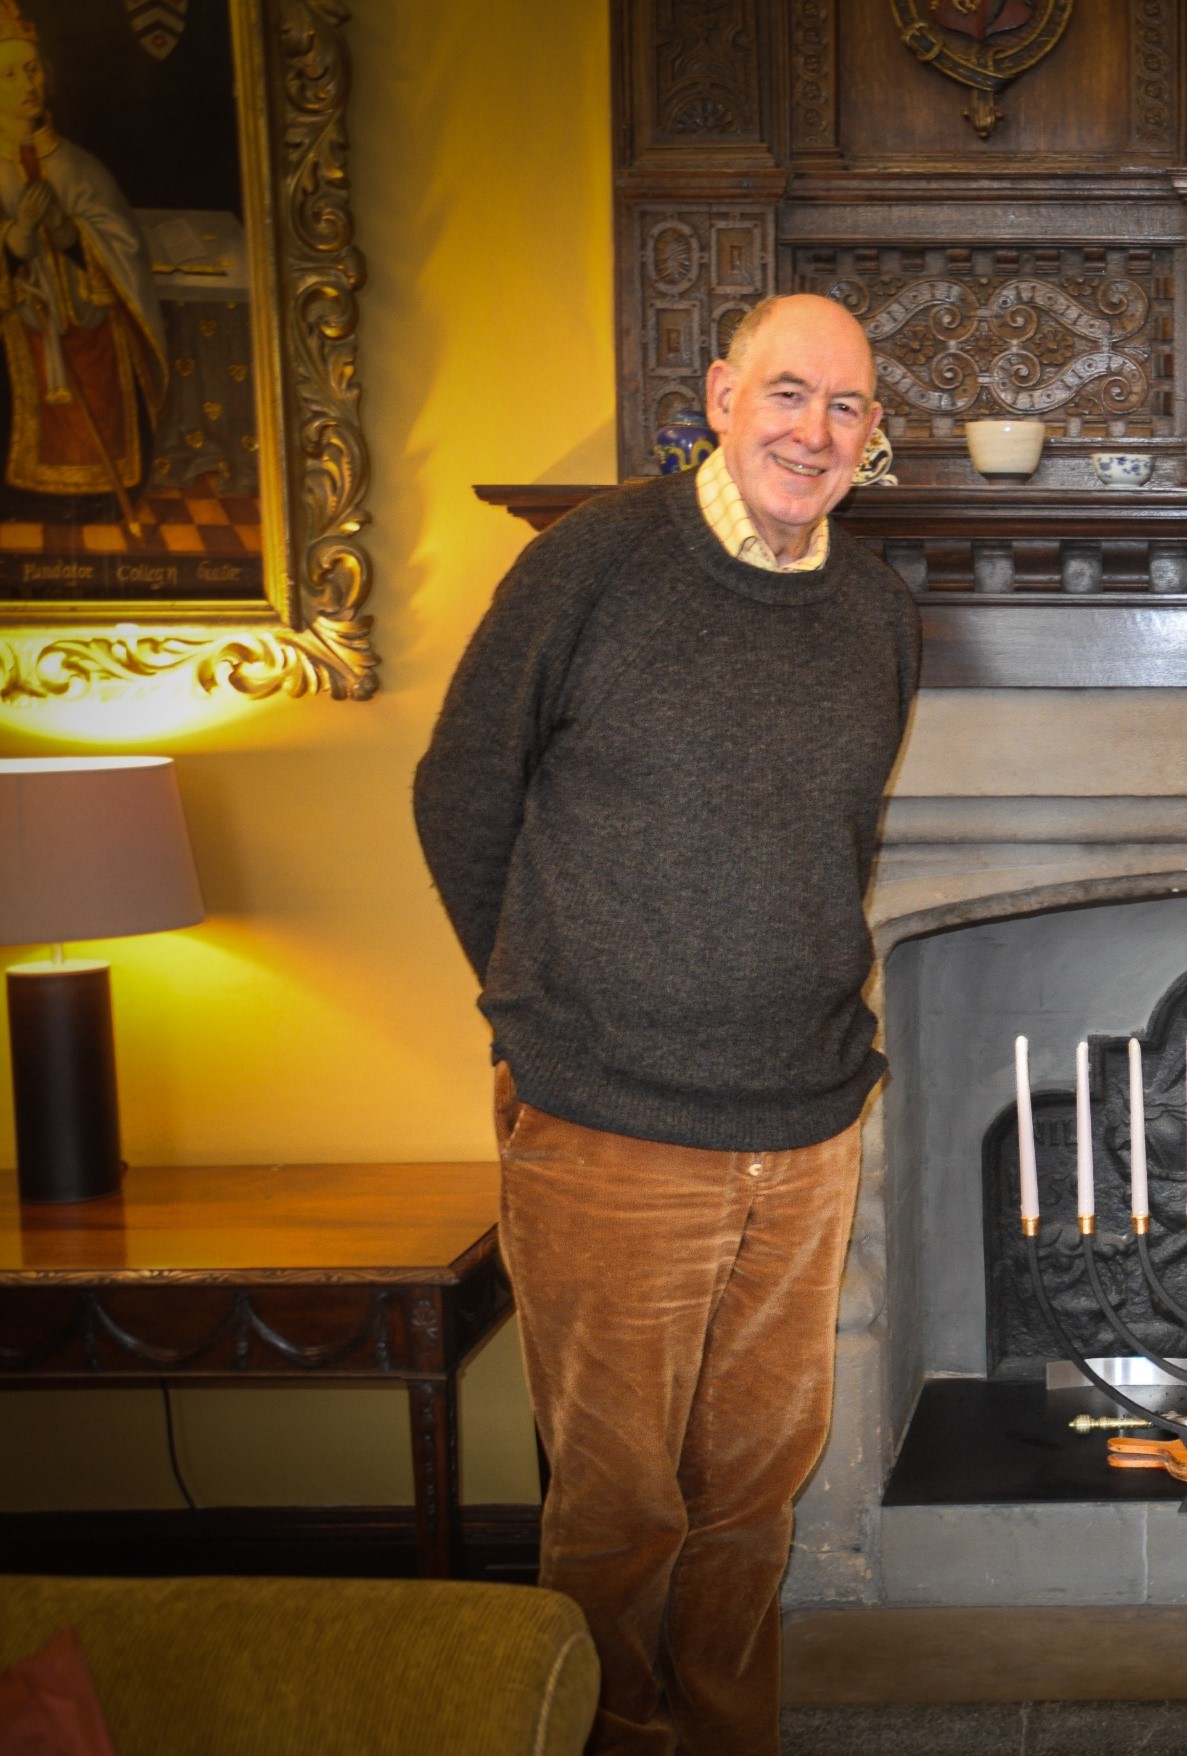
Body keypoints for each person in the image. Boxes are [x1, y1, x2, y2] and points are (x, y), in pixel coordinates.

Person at [414, 292, 917, 1756]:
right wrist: (539, 1006)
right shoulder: (590, 566)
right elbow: (460, 793)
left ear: (872, 437)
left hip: (808, 1119)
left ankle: (727, 1734)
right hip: (610, 1124)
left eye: (847, 408)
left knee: (755, 1499)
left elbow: (833, 831)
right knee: (622, 1509)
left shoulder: (880, 610)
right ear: (718, 395)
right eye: (788, 394)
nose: (814, 431)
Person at [0, 2, 165, 504]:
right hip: (17, 337)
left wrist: (67, 231)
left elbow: (124, 250)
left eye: (32, 70)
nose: (28, 84)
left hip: (89, 336)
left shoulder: (79, 166)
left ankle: (98, 497)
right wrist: (18, 237)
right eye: (9, 74)